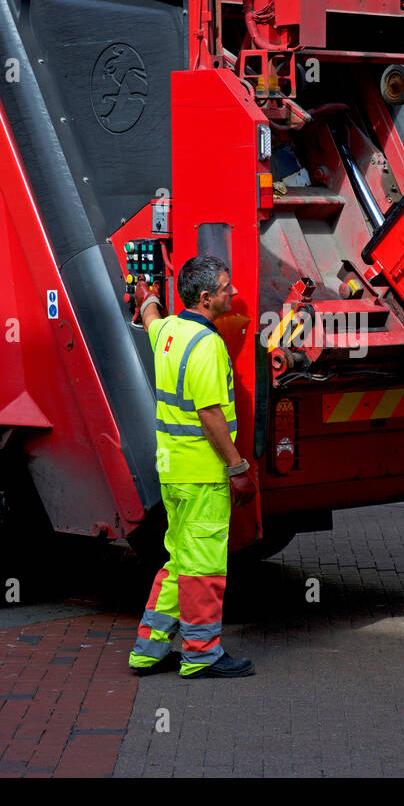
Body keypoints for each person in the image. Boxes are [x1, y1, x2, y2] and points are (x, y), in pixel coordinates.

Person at [127, 255, 258, 678]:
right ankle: (201, 654)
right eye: (224, 288)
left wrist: (145, 297)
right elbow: (211, 417)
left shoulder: (168, 331)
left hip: (173, 473)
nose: (231, 293)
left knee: (179, 559)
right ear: (205, 299)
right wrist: (238, 469)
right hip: (202, 475)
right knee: (202, 566)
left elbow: (150, 317)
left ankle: (149, 649)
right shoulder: (206, 345)